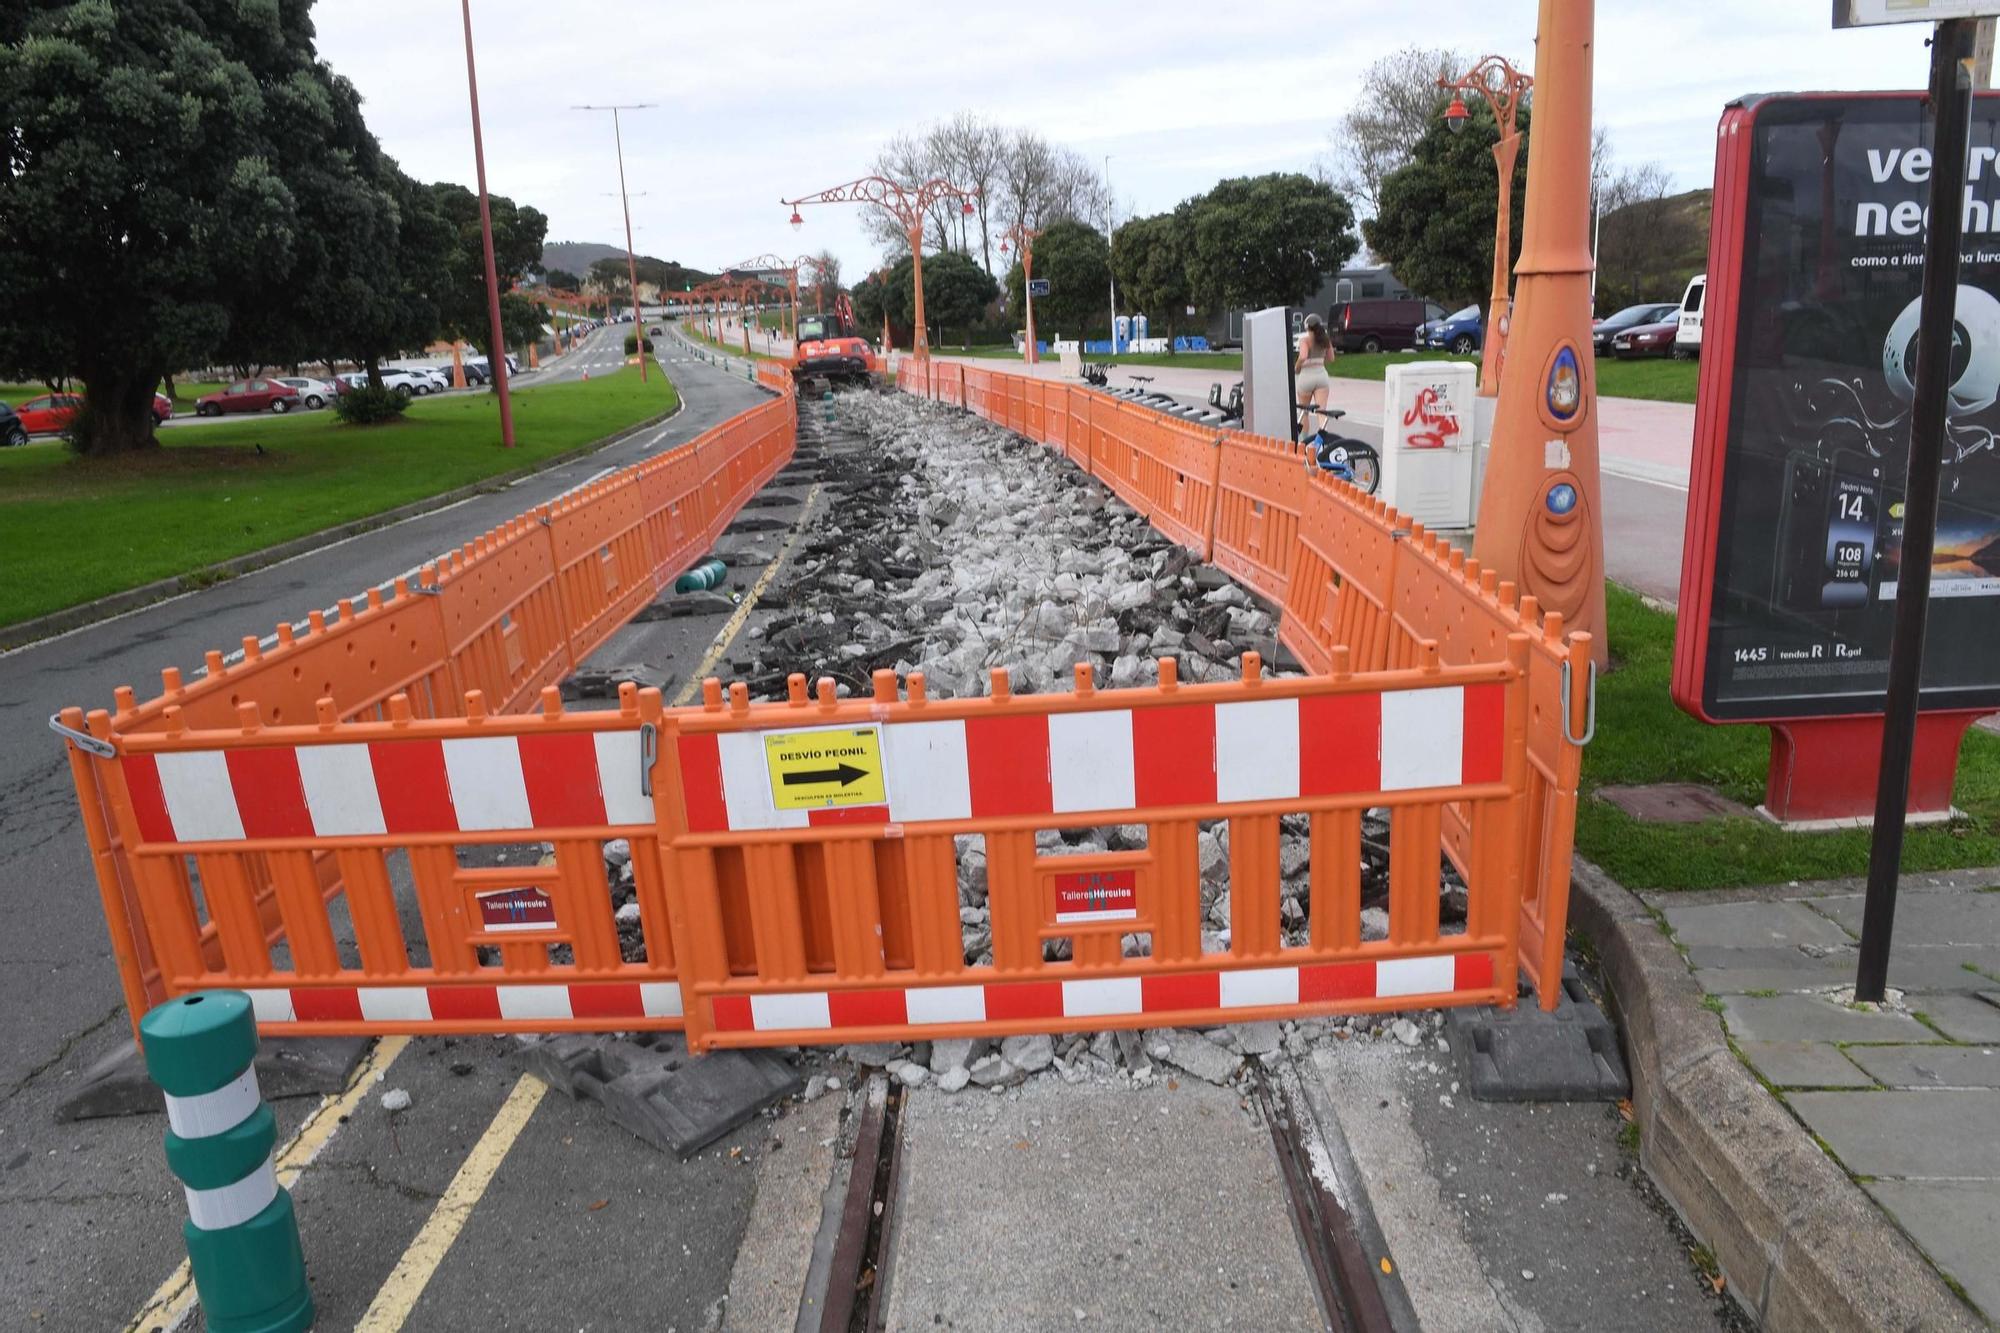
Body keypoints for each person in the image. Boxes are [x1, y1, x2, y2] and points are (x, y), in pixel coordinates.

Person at [1295, 314, 1335, 443]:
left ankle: (1304, 442)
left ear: (1307, 327)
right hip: (1321, 376)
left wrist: (1297, 367)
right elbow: (1331, 358)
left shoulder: (1304, 340)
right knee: (1321, 411)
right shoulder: (1325, 340)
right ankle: (1323, 442)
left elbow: (1303, 356)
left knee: (1304, 412)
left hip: (1306, 376)